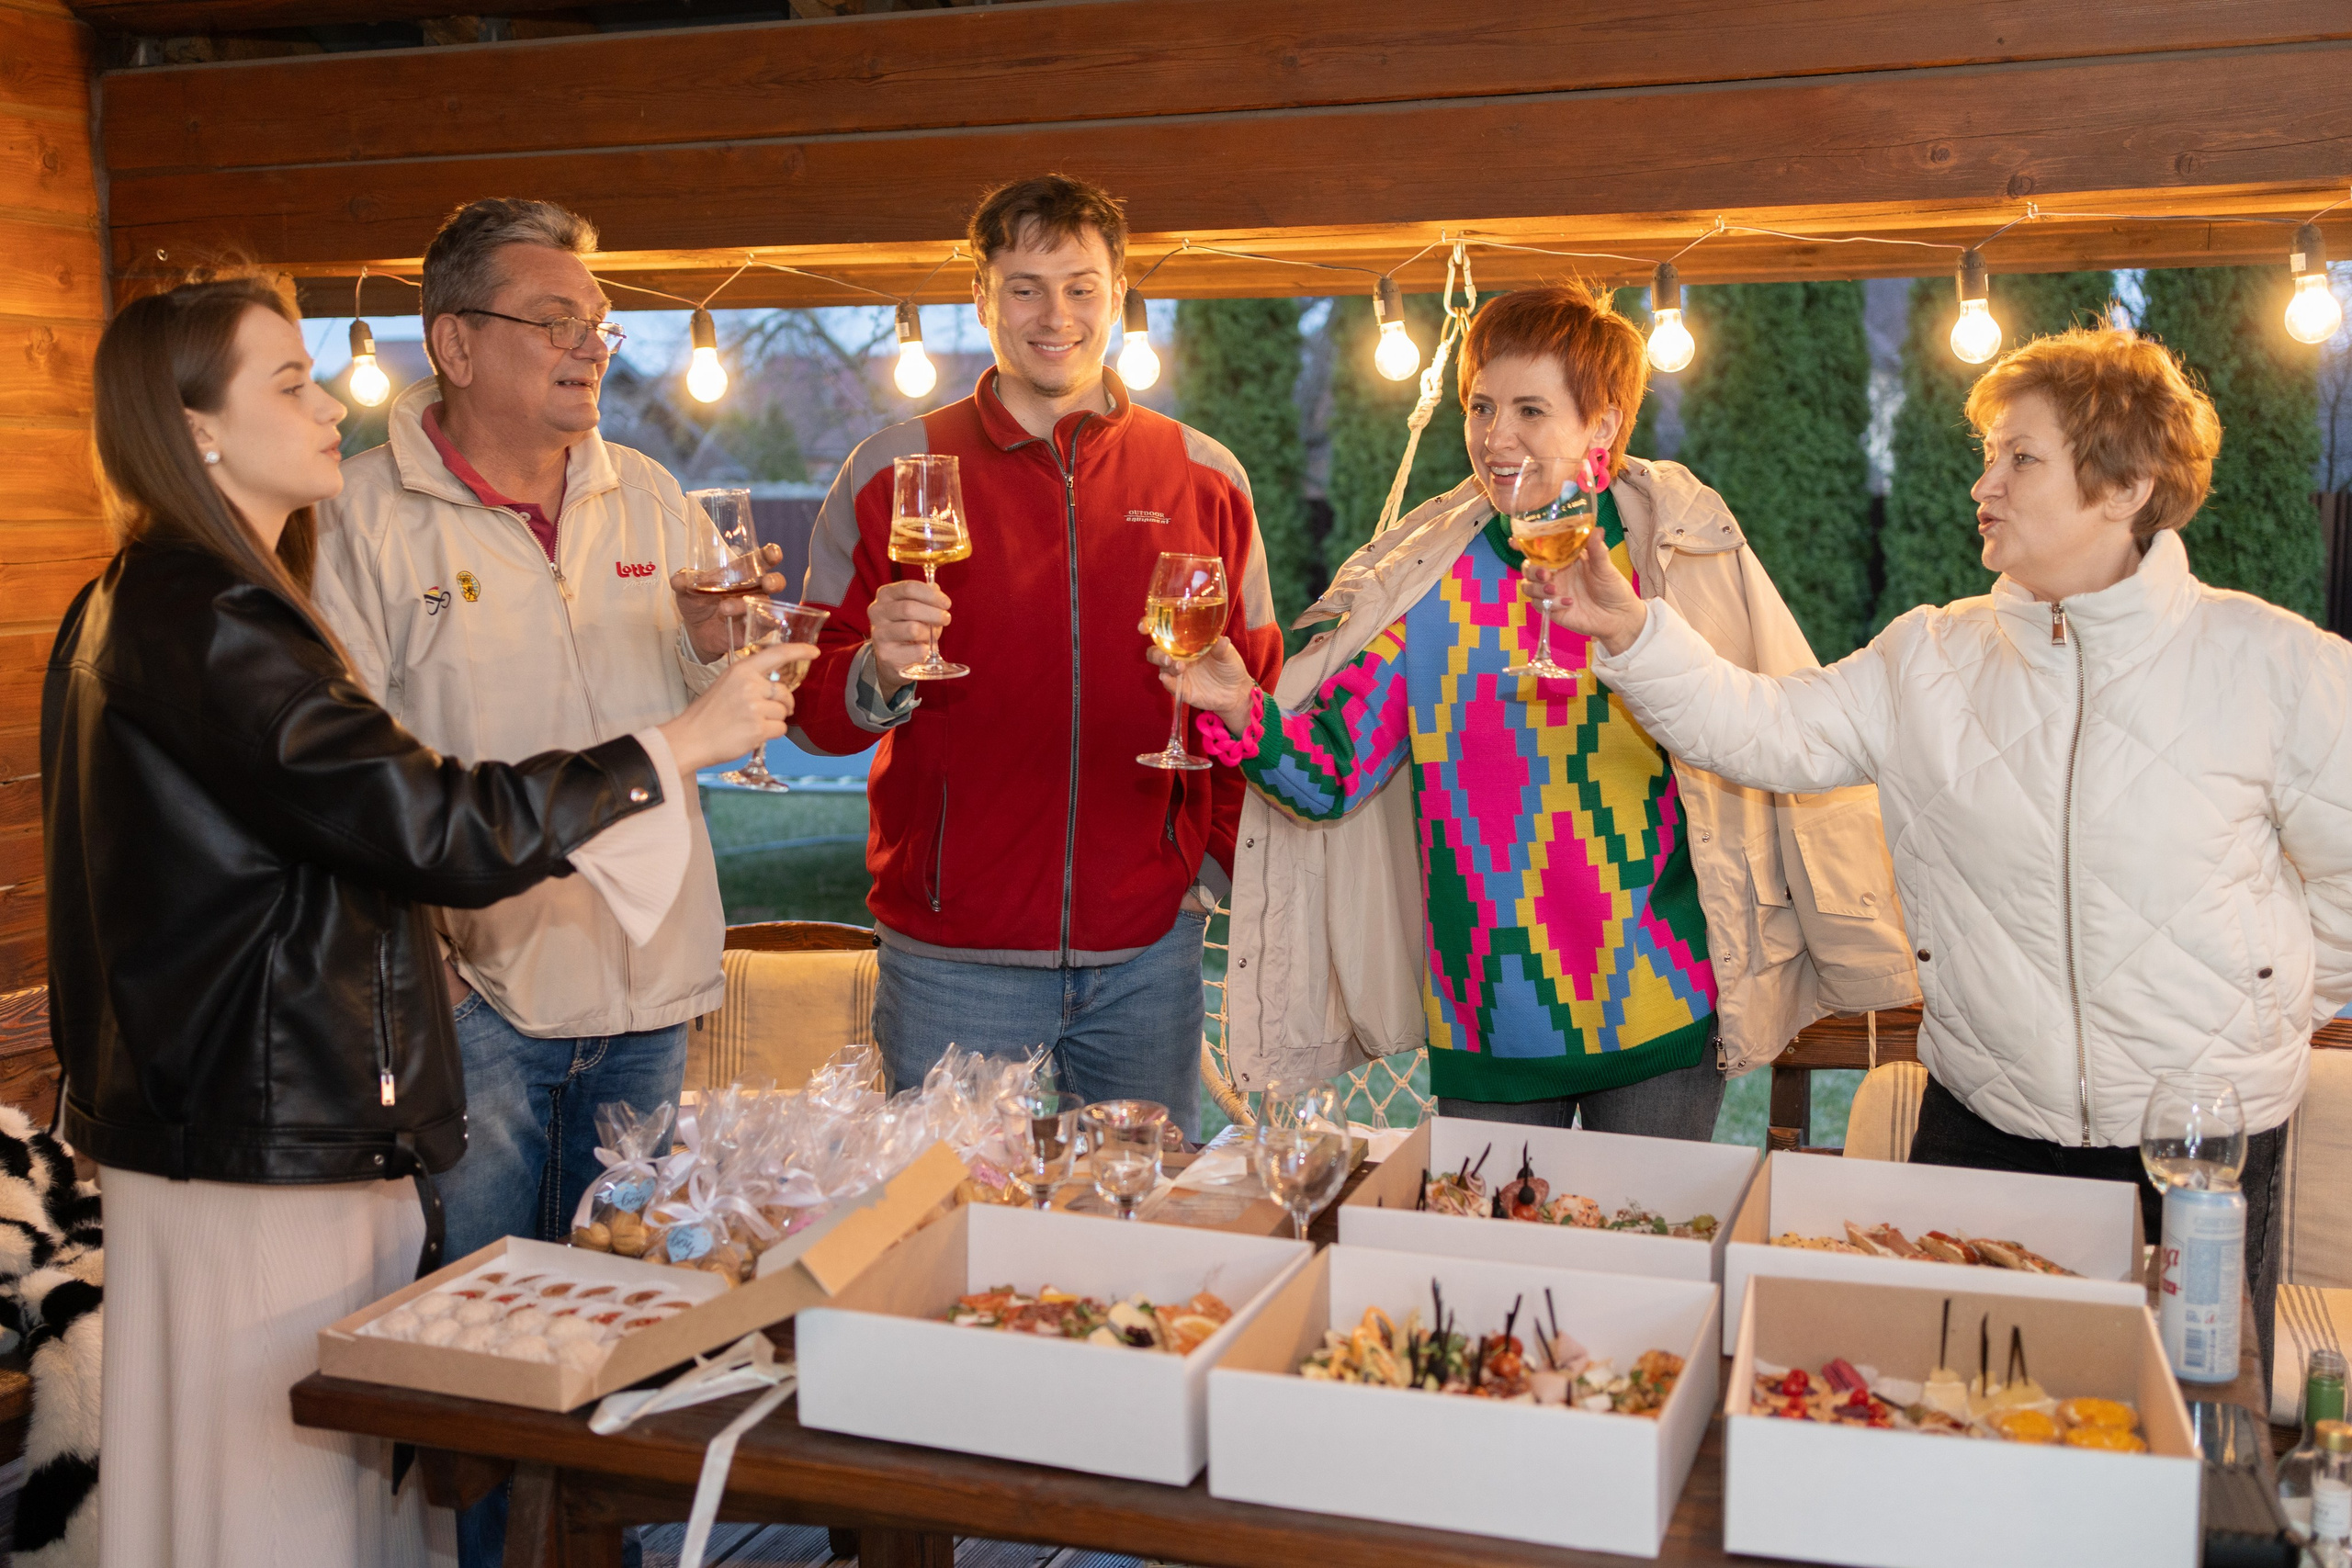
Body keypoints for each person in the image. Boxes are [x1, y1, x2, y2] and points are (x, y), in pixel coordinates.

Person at [45, 275, 796, 1568]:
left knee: (286, 1480)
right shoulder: (209, 615)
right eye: (288, 380)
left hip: (242, 1108)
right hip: (266, 1122)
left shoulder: (177, 595)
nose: (330, 398)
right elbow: (426, 822)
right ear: (194, 428)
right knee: (275, 1490)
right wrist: (674, 745)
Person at [1553, 325, 2352, 1380]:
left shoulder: (2281, 666)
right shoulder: (1926, 654)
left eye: (2021, 458)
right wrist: (1631, 631)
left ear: (2125, 487)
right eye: (1987, 455)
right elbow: (1758, 728)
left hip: (2199, 1153)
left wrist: (2262, 1008)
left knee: (2180, 1429)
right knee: (1966, 1402)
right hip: (1981, 1121)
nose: (1985, 483)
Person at [1165, 284, 1917, 1134]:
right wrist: (1237, 702)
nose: (1496, 437)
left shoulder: (1672, 564)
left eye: (1530, 409)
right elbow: (1330, 776)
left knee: (1646, 1258)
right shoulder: (1427, 589)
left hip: (1661, 1016)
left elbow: (1767, 740)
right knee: (1490, 1271)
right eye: (1482, 407)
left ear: (1601, 425)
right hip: (1488, 1027)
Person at [313, 199, 786, 1252]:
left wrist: (709, 644)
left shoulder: (653, 494)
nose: (590, 346)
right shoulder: (357, 517)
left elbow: (690, 711)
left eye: (601, 323)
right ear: (455, 343)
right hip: (481, 1000)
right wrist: (434, 977)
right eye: (555, 319)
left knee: (626, 1311)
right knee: (479, 1326)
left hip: (654, 994)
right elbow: (347, 782)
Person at [791, 175, 1284, 1137]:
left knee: (1139, 1222)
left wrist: (1208, 875)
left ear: (1118, 292)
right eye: (1023, 287)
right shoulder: (891, 469)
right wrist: (878, 672)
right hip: (948, 959)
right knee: (944, 1233)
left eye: (1079, 287)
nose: (1053, 316)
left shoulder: (1205, 475)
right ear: (980, 296)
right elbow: (810, 713)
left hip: (1149, 952)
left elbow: (1250, 696)